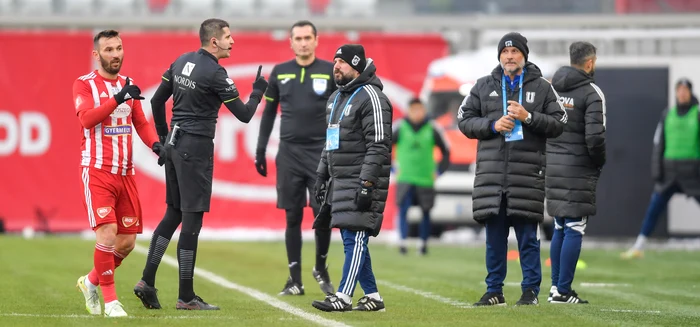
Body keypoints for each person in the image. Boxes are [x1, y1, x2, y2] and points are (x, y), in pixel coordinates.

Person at [133, 18, 269, 310]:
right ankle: (186, 296)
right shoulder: (216, 74)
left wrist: (163, 137)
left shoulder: (181, 61)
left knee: (173, 215)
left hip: (173, 145)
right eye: (228, 37)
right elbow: (245, 115)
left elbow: (157, 102)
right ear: (214, 41)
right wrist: (258, 90)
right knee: (191, 224)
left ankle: (147, 280)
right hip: (195, 150)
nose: (233, 41)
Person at [457, 32, 567, 306]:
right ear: (499, 57)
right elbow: (464, 120)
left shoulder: (542, 87)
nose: (509, 57)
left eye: (515, 52)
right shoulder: (483, 86)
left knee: (528, 238)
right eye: (505, 53)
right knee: (494, 239)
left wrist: (527, 117)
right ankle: (494, 290)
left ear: (524, 56)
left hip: (527, 174)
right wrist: (493, 126)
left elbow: (559, 122)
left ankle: (530, 292)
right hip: (492, 177)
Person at [73, 29, 165, 317]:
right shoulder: (84, 85)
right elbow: (87, 119)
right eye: (109, 49)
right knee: (109, 233)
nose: (115, 54)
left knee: (126, 243)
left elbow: (140, 121)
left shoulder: (129, 84)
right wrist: (117, 98)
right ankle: (111, 302)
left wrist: (156, 145)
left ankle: (90, 281)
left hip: (125, 173)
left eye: (118, 48)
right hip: (97, 170)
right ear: (96, 54)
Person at [254, 20, 337, 296]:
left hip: (320, 154)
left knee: (321, 214)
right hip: (288, 153)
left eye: (307, 37)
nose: (303, 42)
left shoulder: (329, 71)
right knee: (292, 216)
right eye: (298, 38)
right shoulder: (280, 71)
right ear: (290, 42)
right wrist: (260, 149)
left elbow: (338, 115)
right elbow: (268, 113)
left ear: (316, 40)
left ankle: (321, 268)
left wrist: (334, 150)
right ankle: (294, 280)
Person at [310, 44, 392, 312]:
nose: (336, 66)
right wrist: (321, 175)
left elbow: (379, 144)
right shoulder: (336, 98)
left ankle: (343, 296)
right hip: (340, 179)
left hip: (361, 178)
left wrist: (367, 183)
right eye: (334, 61)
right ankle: (373, 296)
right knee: (350, 237)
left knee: (356, 235)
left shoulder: (372, 97)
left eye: (342, 62)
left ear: (356, 66)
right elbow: (330, 142)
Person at [546, 41, 606, 304]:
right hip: (578, 167)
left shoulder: (551, 88)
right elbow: (595, 138)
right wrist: (599, 162)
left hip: (553, 165)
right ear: (590, 63)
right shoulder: (593, 93)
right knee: (574, 227)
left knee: (560, 225)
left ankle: (555, 288)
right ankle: (563, 290)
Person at [621, 78, 700, 259]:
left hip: (692, 173)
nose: (682, 93)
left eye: (685, 90)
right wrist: (657, 170)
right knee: (654, 208)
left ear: (690, 92)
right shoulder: (667, 115)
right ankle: (639, 246)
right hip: (669, 173)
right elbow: (658, 143)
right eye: (679, 89)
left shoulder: (697, 114)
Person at [392, 98, 451, 255]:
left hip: (425, 178)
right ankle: (403, 243)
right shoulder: (400, 127)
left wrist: (439, 171)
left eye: (420, 109)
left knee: (426, 211)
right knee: (403, 210)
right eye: (414, 110)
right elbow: (384, 147)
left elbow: (446, 151)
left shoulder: (433, 128)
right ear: (408, 111)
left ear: (424, 110)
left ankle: (423, 245)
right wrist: (391, 168)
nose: (417, 113)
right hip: (405, 176)